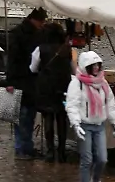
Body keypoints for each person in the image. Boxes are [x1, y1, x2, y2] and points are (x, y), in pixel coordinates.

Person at [66, 51, 115, 182]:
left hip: (99, 125)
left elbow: (110, 103)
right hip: (85, 125)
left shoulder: (103, 83)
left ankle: (96, 179)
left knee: (102, 159)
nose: (96, 68)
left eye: (98, 65)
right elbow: (72, 105)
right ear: (86, 66)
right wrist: (76, 124)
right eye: (93, 65)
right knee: (87, 159)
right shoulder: (77, 83)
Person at [6, 7, 47, 160]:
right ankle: (22, 148)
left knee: (27, 116)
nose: (42, 24)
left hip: (26, 81)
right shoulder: (23, 34)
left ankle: (26, 147)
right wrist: (9, 81)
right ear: (34, 19)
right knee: (23, 116)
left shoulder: (24, 33)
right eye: (41, 21)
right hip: (24, 80)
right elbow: (12, 59)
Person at [31, 22, 74, 163]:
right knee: (62, 119)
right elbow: (73, 69)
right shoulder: (67, 49)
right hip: (64, 88)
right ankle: (61, 152)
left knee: (48, 118)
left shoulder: (40, 49)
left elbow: (33, 68)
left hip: (46, 89)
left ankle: (50, 151)